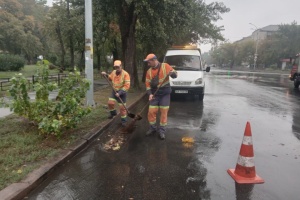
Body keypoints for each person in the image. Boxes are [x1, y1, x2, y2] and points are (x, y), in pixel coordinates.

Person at [144, 53, 177, 140]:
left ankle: (162, 131)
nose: (148, 64)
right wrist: (150, 94)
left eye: (149, 62)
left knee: (163, 112)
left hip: (165, 94)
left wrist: (172, 74)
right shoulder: (149, 72)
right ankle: (153, 128)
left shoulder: (165, 66)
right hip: (155, 94)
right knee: (151, 111)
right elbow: (147, 85)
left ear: (154, 60)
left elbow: (175, 75)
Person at [101, 60, 130, 126]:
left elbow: (127, 86)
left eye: (118, 67)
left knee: (122, 108)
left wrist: (120, 93)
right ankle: (113, 113)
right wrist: (105, 74)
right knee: (110, 103)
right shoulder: (114, 72)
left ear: (121, 66)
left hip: (122, 93)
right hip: (114, 91)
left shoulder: (125, 74)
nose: (117, 68)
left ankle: (124, 121)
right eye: (115, 67)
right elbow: (110, 78)